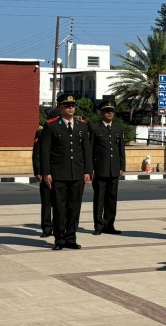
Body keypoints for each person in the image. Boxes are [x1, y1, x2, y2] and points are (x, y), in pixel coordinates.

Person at [41, 94, 92, 250]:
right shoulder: (51, 126)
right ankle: (60, 240)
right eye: (67, 105)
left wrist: (88, 171)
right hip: (58, 174)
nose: (71, 108)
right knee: (59, 208)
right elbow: (45, 151)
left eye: (72, 106)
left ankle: (71, 238)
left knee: (74, 208)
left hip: (77, 173)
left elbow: (86, 150)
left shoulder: (82, 126)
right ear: (61, 107)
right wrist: (46, 172)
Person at [89, 100, 126, 235]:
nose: (110, 113)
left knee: (112, 199)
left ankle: (109, 225)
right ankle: (99, 226)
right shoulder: (94, 128)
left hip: (114, 169)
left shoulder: (118, 128)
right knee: (99, 199)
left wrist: (122, 166)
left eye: (112, 111)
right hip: (100, 169)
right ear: (101, 112)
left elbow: (121, 149)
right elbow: (90, 150)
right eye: (107, 111)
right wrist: (90, 168)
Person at [32, 107, 60, 238]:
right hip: (45, 172)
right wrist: (38, 171)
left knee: (60, 202)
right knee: (47, 202)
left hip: (60, 172)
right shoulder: (41, 133)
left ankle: (59, 226)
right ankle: (47, 228)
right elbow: (37, 154)